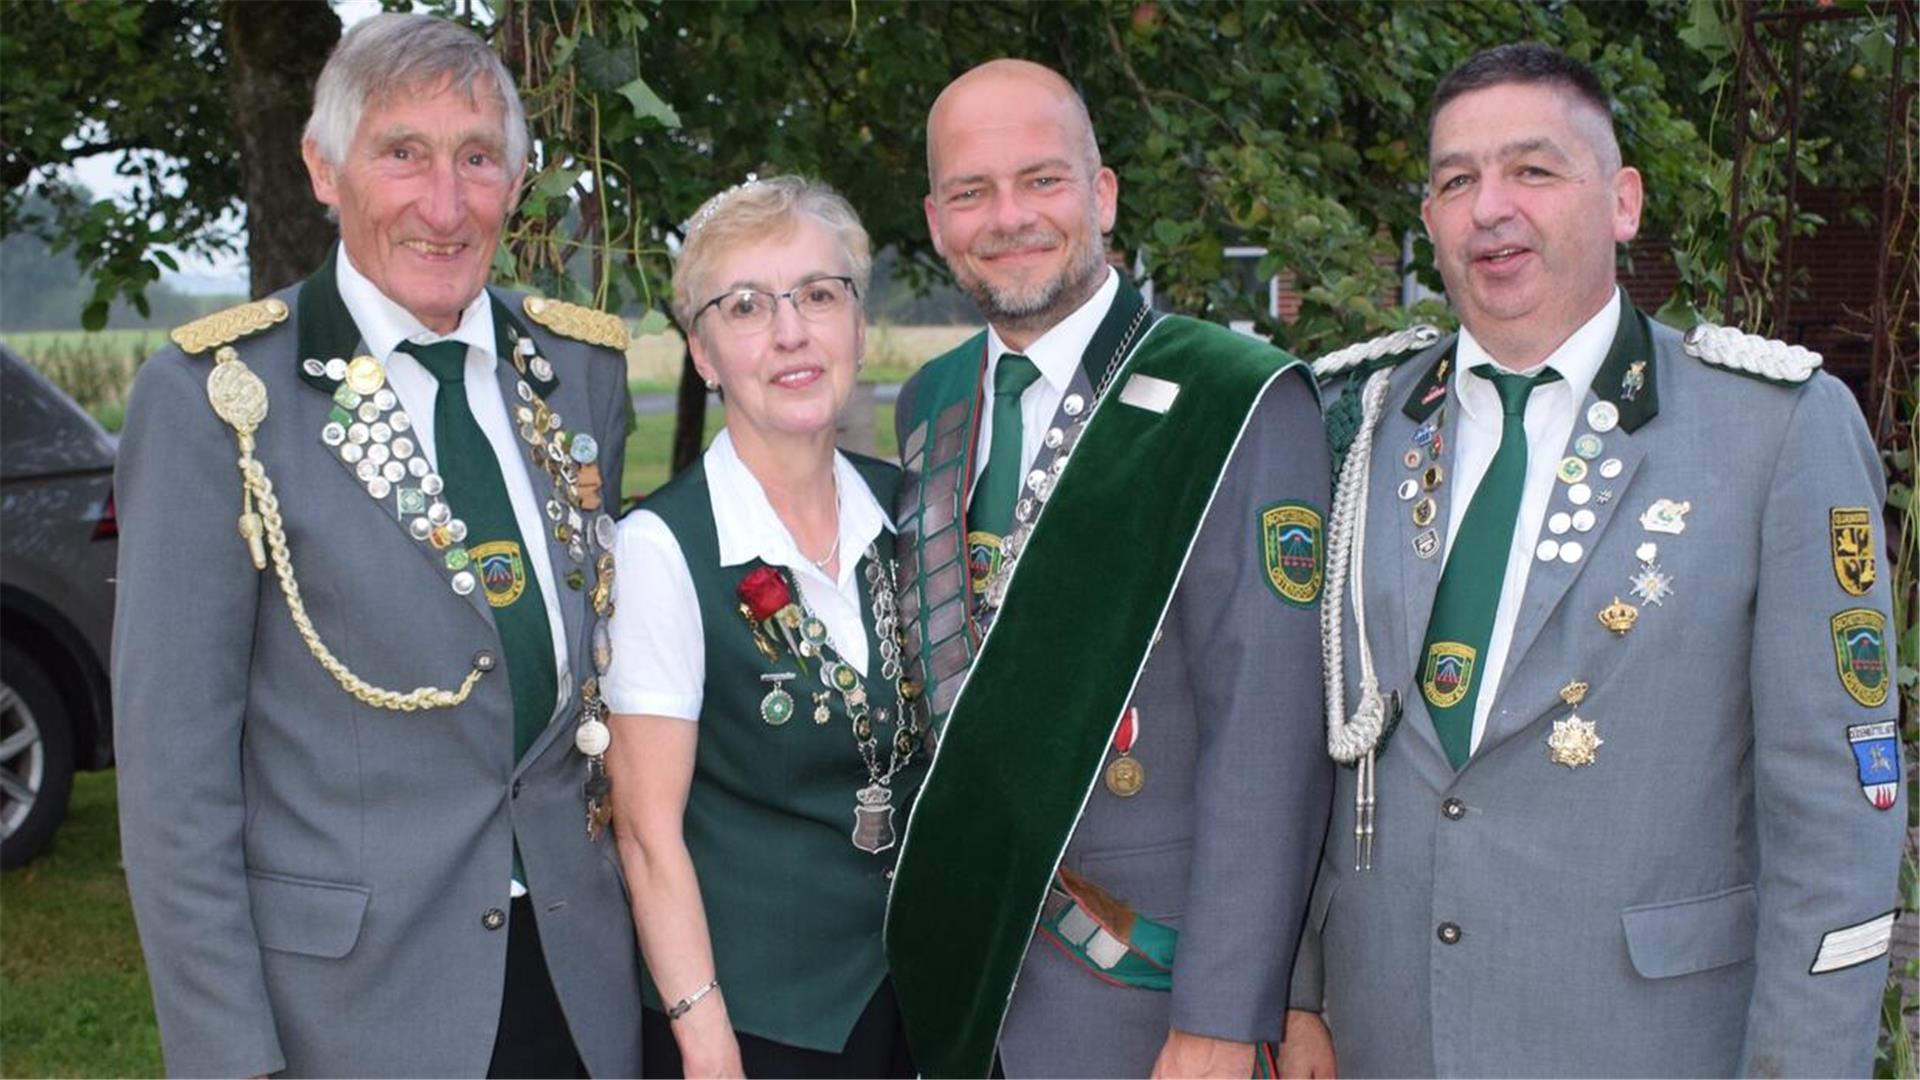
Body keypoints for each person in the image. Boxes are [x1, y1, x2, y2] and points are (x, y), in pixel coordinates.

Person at [1284, 42, 1904, 1078]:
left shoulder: (1771, 430)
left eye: (1533, 170)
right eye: (1455, 181)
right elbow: (1316, 736)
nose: (1490, 208)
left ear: (1622, 202)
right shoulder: (1362, 421)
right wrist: (1302, 990)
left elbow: (1838, 825)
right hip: (1384, 1037)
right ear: (1430, 220)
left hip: (1645, 1041)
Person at [113, 14, 641, 1077]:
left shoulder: (577, 373)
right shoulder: (221, 400)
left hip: (579, 988)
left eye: (477, 159)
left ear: (515, 181)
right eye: (402, 153)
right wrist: (230, 1059)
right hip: (350, 1015)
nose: (444, 207)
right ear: (323, 168)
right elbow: (175, 787)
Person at [883, 59, 1333, 1078]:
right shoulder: (931, 403)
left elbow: (1268, 739)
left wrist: (1223, 1017)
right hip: (967, 977)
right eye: (971, 191)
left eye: (1041, 180)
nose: (1008, 217)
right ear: (938, 216)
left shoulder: (1236, 400)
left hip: (1145, 991)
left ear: (1103, 193)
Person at [602, 175, 922, 1079]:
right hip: (756, 1028)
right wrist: (707, 1046)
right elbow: (646, 835)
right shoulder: (663, 549)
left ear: (857, 324)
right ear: (703, 353)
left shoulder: (913, 513)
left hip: (920, 1002)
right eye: (745, 306)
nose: (791, 333)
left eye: (818, 295)